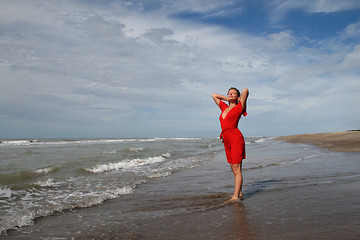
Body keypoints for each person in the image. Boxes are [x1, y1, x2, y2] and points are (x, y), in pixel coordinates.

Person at [212, 87, 249, 203]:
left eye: (233, 93)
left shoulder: (240, 107)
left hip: (235, 138)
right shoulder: (224, 107)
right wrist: (227, 98)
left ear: (238, 97)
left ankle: (235, 196)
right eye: (229, 93)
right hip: (226, 140)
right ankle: (240, 192)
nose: (230, 94)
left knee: (237, 168)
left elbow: (246, 90)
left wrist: (238, 99)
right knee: (233, 168)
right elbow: (214, 95)